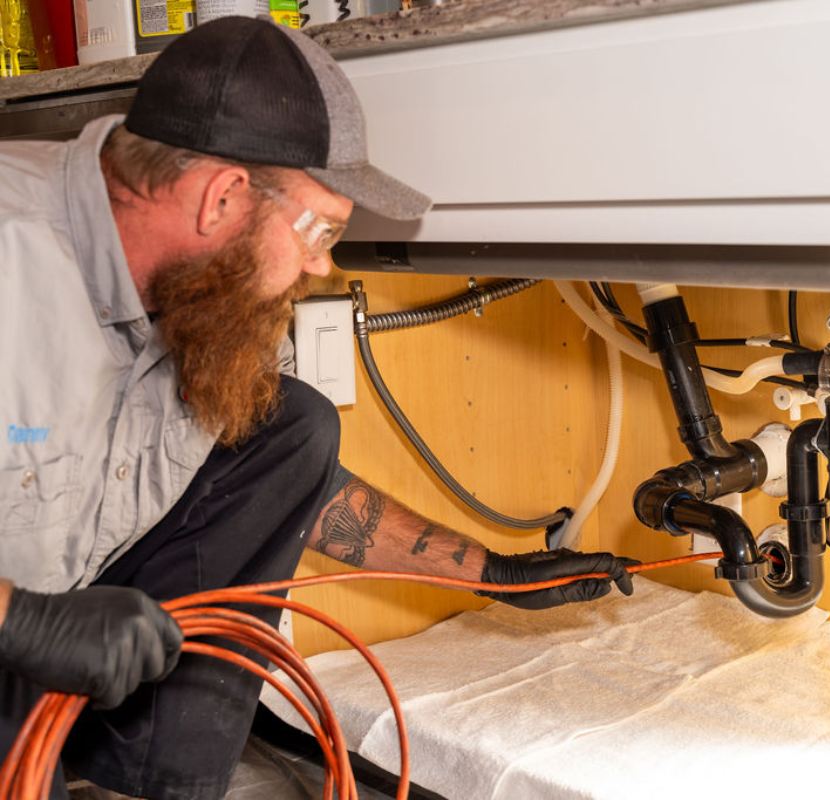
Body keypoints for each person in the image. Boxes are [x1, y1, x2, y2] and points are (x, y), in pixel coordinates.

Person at [0, 16, 634, 799]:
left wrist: (493, 574)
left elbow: (300, 489)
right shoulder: (11, 255)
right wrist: (18, 622)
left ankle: (144, 786)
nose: (323, 264)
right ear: (223, 197)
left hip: (55, 651)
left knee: (291, 425)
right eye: (321, 229)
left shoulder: (211, 300)